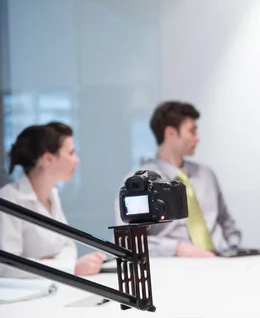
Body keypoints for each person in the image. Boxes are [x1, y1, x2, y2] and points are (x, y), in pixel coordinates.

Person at [114, 101, 242, 258]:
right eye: (192, 131)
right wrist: (177, 248)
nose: (198, 138)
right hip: (175, 265)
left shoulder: (206, 174)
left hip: (222, 259)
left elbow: (227, 221)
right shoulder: (136, 184)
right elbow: (129, 240)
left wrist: (233, 247)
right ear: (171, 133)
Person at [0, 122, 105, 278]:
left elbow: (69, 246)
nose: (77, 160)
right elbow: (7, 267)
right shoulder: (9, 198)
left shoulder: (53, 195)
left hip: (53, 288)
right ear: (48, 159)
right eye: (71, 153)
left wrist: (51, 263)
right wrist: (69, 267)